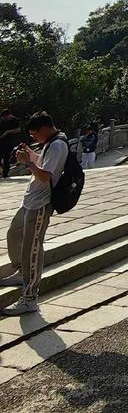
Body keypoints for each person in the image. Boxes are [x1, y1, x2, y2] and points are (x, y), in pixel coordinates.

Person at [0, 111, 69, 315]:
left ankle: (30, 298)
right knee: (14, 233)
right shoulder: (51, 141)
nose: (33, 137)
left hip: (41, 203)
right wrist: (31, 154)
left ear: (44, 129)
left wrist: (28, 163)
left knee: (32, 248)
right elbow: (44, 163)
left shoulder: (57, 145)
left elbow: (45, 175)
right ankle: (22, 272)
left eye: (34, 134)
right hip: (30, 200)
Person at [0, 109, 23, 179]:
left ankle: (5, 174)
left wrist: (7, 132)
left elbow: (18, 129)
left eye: (7, 117)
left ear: (9, 115)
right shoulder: (1, 121)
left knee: (7, 158)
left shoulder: (15, 120)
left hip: (9, 141)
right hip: (1, 141)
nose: (6, 119)